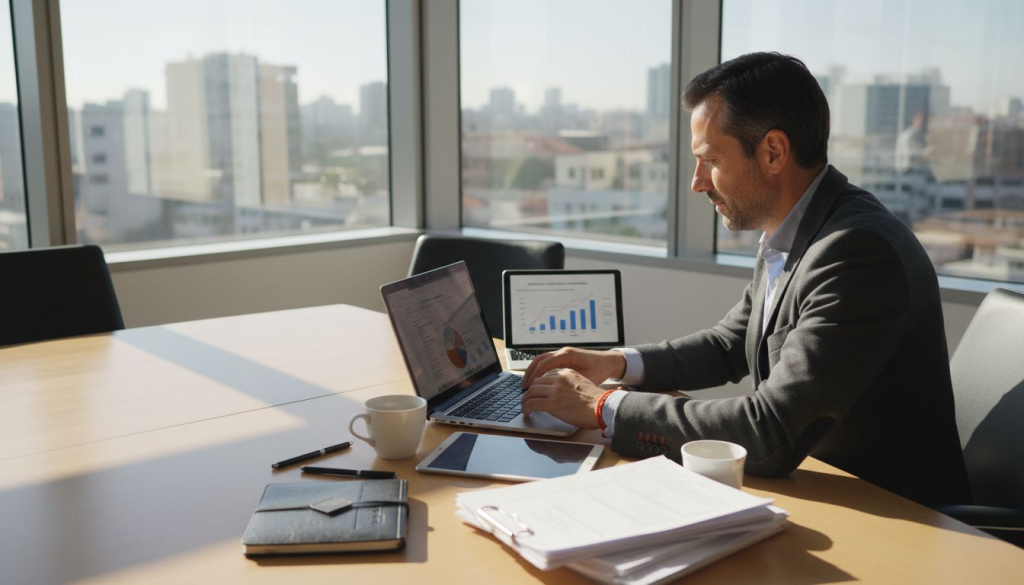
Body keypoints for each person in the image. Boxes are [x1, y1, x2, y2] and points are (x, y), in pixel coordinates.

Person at [521, 52, 970, 507]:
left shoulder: (856, 253)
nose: (697, 182)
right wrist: (614, 364)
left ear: (773, 151)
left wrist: (603, 406)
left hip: (890, 515)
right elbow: (731, 342)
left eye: (710, 159)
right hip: (820, 486)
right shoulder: (797, 226)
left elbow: (769, 431)